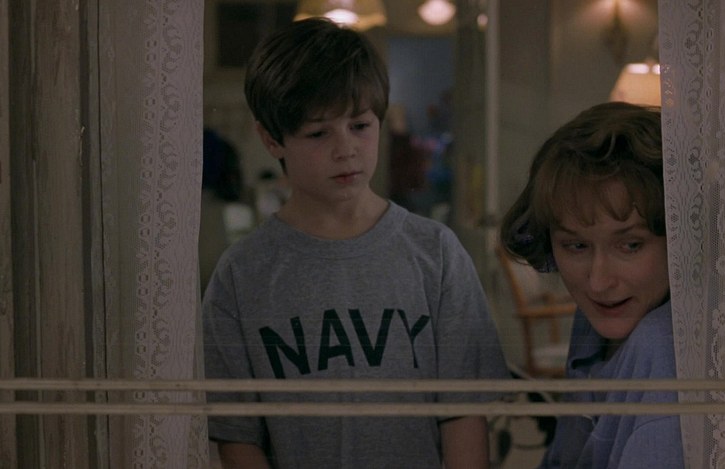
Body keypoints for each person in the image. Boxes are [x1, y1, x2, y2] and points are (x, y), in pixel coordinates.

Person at [202, 17, 508, 469]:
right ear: (271, 139)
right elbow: (238, 437)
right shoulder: (241, 275)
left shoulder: (436, 253)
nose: (345, 149)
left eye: (360, 125)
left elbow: (463, 413)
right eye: (318, 133)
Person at [499, 101, 684, 468]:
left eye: (630, 245)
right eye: (576, 246)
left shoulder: (661, 347)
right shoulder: (601, 318)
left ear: (678, 241)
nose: (598, 283)